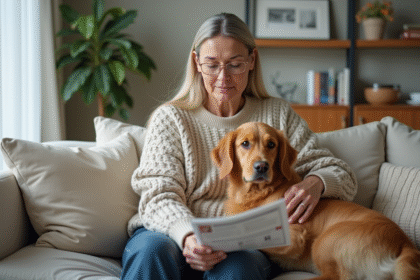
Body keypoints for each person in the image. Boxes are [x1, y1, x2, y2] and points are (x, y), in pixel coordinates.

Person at [121, 13, 357, 280]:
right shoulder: (171, 118)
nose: (223, 77)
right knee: (151, 250)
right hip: (171, 232)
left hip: (241, 243)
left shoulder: (277, 114)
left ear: (252, 61)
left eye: (234, 64)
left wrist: (316, 183)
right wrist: (187, 235)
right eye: (211, 65)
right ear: (196, 63)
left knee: (239, 269)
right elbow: (157, 194)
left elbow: (340, 173)